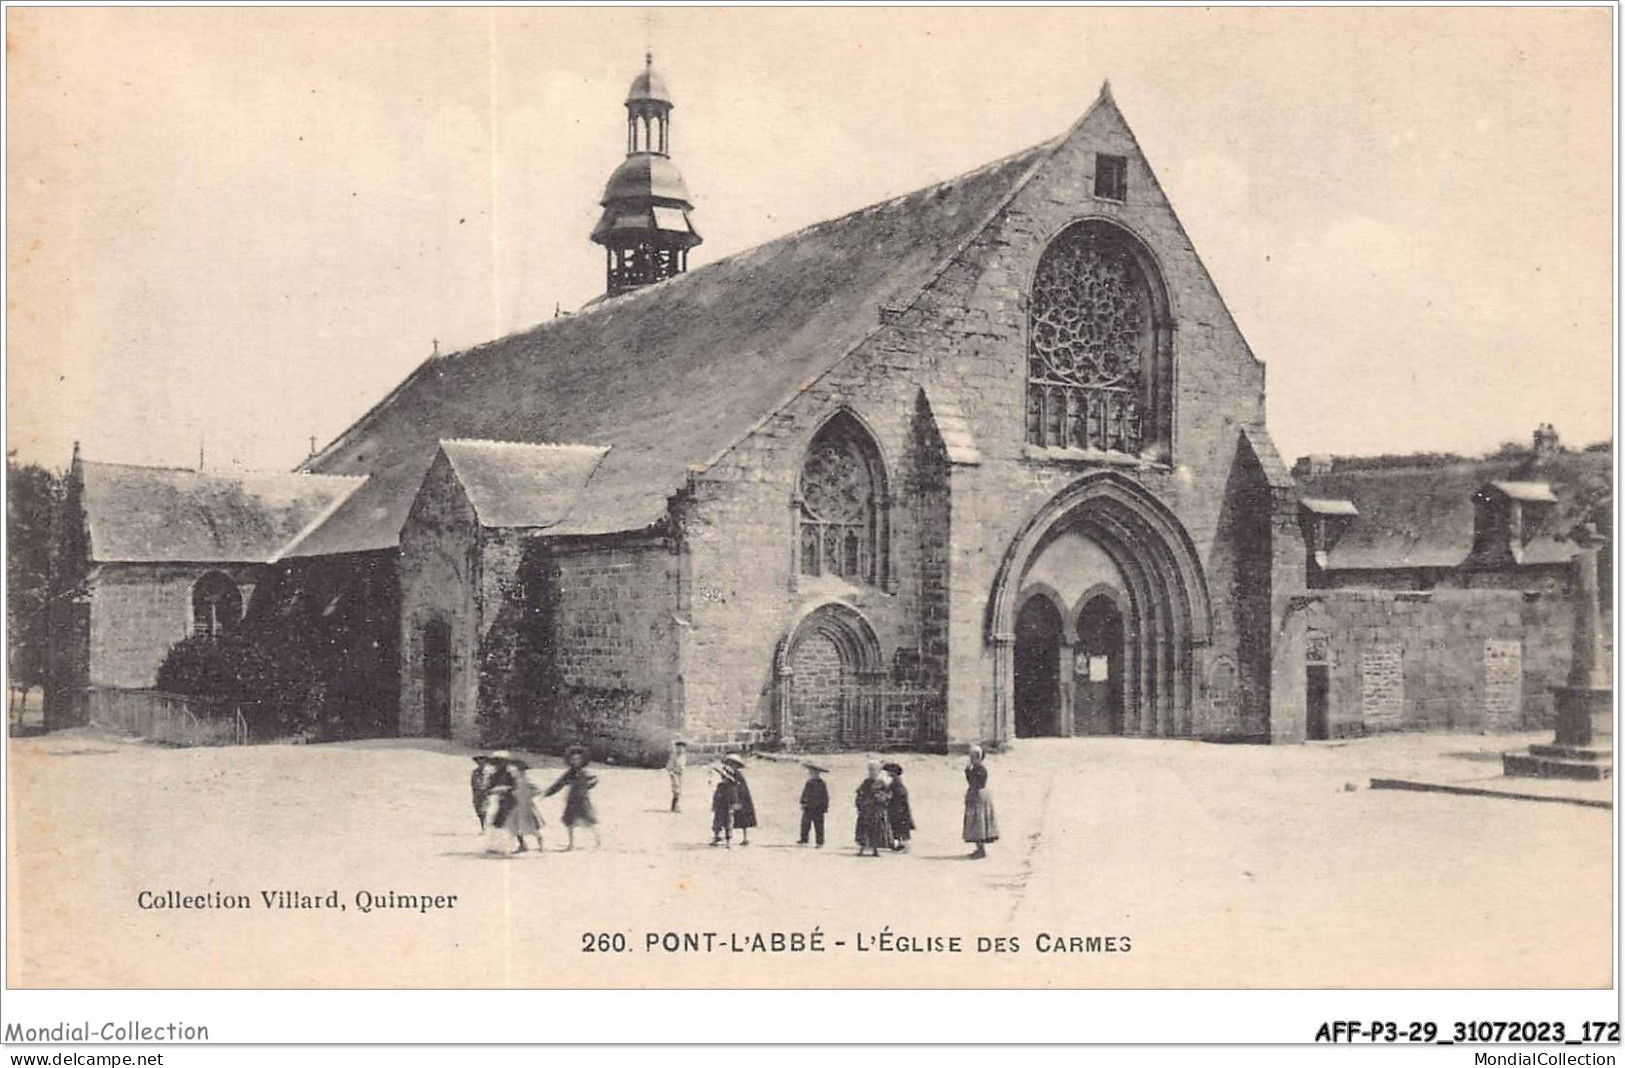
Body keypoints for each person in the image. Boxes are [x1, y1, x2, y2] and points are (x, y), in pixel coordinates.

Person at [483, 751, 542, 854]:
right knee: (502, 823)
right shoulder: (495, 775)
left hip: (513, 802)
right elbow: (489, 788)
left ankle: (513, 846)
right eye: (497, 762)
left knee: (511, 823)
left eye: (501, 761)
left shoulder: (512, 774)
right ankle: (510, 845)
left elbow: (518, 787)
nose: (499, 764)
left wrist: (506, 789)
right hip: (503, 801)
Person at [544, 745, 600, 850]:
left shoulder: (585, 772)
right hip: (572, 799)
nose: (575, 761)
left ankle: (598, 840)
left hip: (583, 799)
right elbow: (559, 784)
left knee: (588, 821)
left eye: (578, 759)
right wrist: (548, 793)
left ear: (582, 760)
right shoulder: (569, 773)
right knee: (570, 822)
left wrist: (588, 786)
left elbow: (595, 780)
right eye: (573, 759)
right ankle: (571, 844)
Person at [962, 744, 999, 860]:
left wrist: (969, 772)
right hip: (976, 795)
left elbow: (976, 784)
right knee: (975, 822)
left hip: (979, 796)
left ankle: (981, 849)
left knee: (979, 822)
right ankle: (978, 848)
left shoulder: (981, 769)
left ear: (979, 757)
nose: (971, 759)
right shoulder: (976, 768)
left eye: (973, 756)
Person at [854, 760, 892, 858]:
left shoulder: (881, 783)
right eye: (870, 770)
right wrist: (859, 804)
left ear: (878, 772)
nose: (872, 772)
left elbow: (889, 794)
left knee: (876, 830)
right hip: (866, 811)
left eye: (874, 770)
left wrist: (881, 797)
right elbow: (859, 794)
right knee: (863, 830)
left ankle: (875, 850)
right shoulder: (866, 782)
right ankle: (862, 849)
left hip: (876, 811)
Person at [723, 754, 756, 846]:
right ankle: (725, 838)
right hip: (732, 798)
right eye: (729, 764)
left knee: (743, 819)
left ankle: (745, 838)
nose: (730, 766)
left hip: (741, 798)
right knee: (728, 817)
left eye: (732, 764)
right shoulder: (728, 774)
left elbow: (741, 788)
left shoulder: (738, 775)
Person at [883, 761, 914, 852]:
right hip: (898, 808)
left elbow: (898, 795)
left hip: (898, 808)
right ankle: (901, 844)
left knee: (899, 827)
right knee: (898, 827)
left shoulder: (896, 783)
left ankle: (904, 845)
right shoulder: (896, 782)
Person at [798, 763, 830, 847]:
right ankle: (804, 839)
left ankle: (819, 842)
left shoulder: (822, 784)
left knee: (818, 825)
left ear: (818, 774)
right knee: (805, 824)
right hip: (808, 807)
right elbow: (805, 793)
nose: (812, 774)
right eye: (810, 773)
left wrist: (825, 806)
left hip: (818, 808)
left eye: (813, 773)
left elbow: (825, 796)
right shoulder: (809, 783)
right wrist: (803, 802)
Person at [710, 761, 738, 848]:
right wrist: (714, 806)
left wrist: (732, 807)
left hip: (728, 808)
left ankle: (728, 841)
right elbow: (716, 796)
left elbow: (734, 798)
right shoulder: (721, 785)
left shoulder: (732, 786)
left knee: (728, 824)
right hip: (720, 807)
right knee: (717, 823)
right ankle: (716, 837)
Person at [666, 739, 687, 813]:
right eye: (679, 747)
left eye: (682, 748)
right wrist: (672, 774)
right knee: (676, 790)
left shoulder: (683, 756)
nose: (680, 749)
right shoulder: (674, 756)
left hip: (680, 775)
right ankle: (675, 807)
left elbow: (683, 766)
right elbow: (669, 766)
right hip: (675, 774)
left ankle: (674, 806)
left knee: (679, 791)